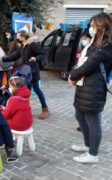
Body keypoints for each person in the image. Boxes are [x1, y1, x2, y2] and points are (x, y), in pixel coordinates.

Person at [68, 12, 112, 164]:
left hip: (94, 88)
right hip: (85, 86)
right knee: (79, 116)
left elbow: (88, 65)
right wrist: (74, 73)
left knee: (93, 122)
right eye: (91, 25)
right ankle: (87, 145)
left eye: (93, 26)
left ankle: (93, 154)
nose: (91, 28)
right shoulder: (95, 42)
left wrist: (72, 76)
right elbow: (82, 61)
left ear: (102, 26)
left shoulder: (106, 45)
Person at [2, 30, 49, 119]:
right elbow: (14, 56)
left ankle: (45, 109)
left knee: (37, 89)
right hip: (25, 73)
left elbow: (43, 54)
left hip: (33, 71)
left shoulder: (32, 45)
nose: (17, 37)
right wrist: (2, 59)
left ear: (23, 37)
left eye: (18, 36)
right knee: (26, 91)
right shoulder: (22, 47)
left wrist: (36, 58)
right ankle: (25, 109)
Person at [76, 30, 92, 132]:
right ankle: (84, 125)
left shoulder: (94, 50)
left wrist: (73, 75)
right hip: (81, 81)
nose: (83, 41)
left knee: (90, 110)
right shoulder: (85, 48)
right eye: (82, 39)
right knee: (81, 107)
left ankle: (88, 127)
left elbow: (86, 66)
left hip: (90, 82)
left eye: (85, 39)